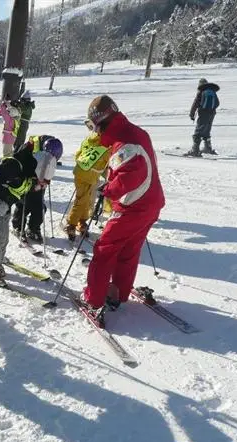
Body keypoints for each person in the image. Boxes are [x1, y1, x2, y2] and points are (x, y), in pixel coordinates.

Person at [81, 95, 165, 311]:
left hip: (133, 207)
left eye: (94, 126)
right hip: (150, 203)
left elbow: (129, 177)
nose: (95, 132)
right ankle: (119, 289)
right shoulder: (134, 132)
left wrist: (107, 189)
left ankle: (94, 299)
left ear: (102, 122)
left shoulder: (124, 144)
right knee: (128, 249)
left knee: (104, 250)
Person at [0, 155, 36, 282]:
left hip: (5, 203)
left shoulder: (24, 172)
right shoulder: (8, 169)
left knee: (4, 236)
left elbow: (21, 189)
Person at [11, 135, 63, 243]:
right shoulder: (35, 151)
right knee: (23, 206)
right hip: (27, 184)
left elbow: (49, 171)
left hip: (39, 186)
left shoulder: (51, 156)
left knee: (39, 208)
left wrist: (46, 181)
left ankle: (33, 228)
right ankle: (18, 226)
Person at [65, 131, 112, 241]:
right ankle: (71, 224)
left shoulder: (90, 140)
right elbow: (110, 165)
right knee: (82, 200)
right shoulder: (108, 147)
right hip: (88, 175)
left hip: (81, 172)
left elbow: (78, 154)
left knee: (86, 199)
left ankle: (82, 221)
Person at [188, 78, 220, 156]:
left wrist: (192, 114)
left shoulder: (201, 91)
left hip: (203, 114)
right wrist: (211, 109)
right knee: (207, 130)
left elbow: (195, 103)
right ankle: (208, 148)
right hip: (212, 114)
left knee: (198, 130)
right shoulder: (212, 91)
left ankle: (195, 150)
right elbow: (218, 103)